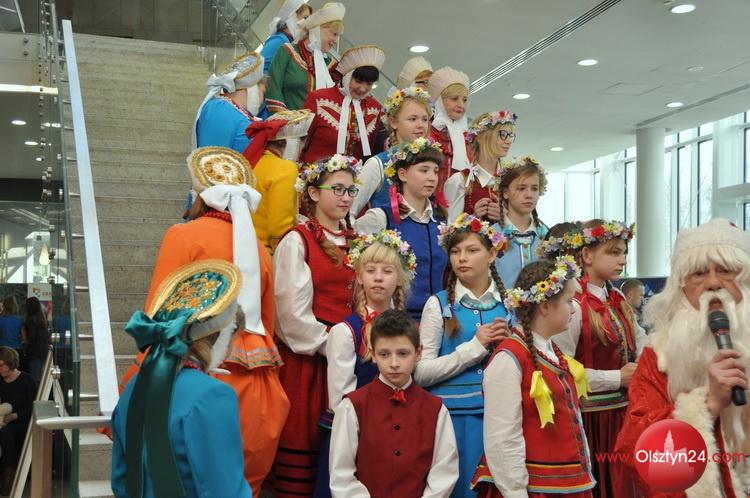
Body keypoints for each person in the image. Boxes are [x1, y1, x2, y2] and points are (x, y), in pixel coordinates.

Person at [119, 147, 289, 495]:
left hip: (195, 358)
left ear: (199, 194)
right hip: (258, 374)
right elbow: (266, 319)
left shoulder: (184, 235)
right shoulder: (260, 249)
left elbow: (160, 311)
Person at [612, 218, 750, 497]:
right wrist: (706, 405)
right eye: (698, 273)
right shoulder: (659, 358)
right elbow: (636, 450)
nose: (713, 283)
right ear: (681, 287)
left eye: (726, 270)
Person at [111, 260, 252, 498]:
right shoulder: (212, 396)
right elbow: (225, 491)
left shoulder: (134, 386)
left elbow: (120, 481)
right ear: (220, 337)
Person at [272, 154, 360, 497]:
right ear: (312, 193)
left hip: (350, 360)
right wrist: (336, 345)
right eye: (337, 189)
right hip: (309, 364)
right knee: (305, 450)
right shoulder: (297, 240)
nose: (345, 197)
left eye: (351, 190)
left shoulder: (358, 241)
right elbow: (290, 316)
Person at [471, 257, 596, 497]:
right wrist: (516, 491)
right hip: (535, 489)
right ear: (545, 306)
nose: (574, 308)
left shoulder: (550, 351)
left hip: (564, 486)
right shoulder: (509, 359)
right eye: (569, 301)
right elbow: (502, 438)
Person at [314, 229, 415, 498]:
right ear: (359, 276)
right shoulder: (346, 331)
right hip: (357, 437)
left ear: (400, 278)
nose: (378, 277)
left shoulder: (409, 330)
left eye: (387, 271)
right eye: (370, 270)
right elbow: (341, 400)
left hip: (400, 433)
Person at [416, 213, 510, 498]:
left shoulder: (511, 305)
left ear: (491, 254)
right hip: (453, 418)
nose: (462, 258)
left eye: (472, 250)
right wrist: (474, 348)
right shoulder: (437, 304)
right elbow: (420, 373)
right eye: (455, 251)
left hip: (503, 415)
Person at [552, 220, 646, 498]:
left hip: (626, 414)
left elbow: (641, 339)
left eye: (624, 253)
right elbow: (561, 368)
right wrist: (617, 378)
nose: (622, 260)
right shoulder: (573, 304)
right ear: (587, 255)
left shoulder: (617, 297)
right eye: (614, 252)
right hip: (592, 420)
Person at [329, 309, 459, 497]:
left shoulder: (436, 409)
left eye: (403, 353)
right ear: (373, 354)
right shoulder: (352, 406)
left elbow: (444, 472)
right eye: (384, 354)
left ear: (418, 353)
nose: (394, 363)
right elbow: (341, 474)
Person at [355, 138, 448, 320]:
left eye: (435, 171)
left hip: (438, 319)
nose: (432, 177)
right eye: (424, 170)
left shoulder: (441, 221)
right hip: (396, 321)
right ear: (403, 174)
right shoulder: (381, 218)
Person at [351, 85, 432, 215]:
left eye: (425, 119)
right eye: (412, 119)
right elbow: (349, 211)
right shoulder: (377, 164)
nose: (421, 125)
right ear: (393, 122)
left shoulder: (431, 163)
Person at [243, 109, 315, 253]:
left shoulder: (254, 161)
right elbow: (280, 229)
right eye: (302, 145)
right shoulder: (285, 169)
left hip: (245, 245)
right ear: (293, 143)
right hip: (266, 253)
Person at [300, 45, 385, 163]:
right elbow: (300, 140)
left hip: (352, 174)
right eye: (358, 81)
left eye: (369, 84)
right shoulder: (318, 99)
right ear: (347, 77)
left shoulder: (375, 109)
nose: (363, 89)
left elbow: (369, 151)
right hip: (312, 171)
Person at [266, 2, 345, 112]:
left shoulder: (330, 65)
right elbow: (273, 90)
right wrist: (287, 119)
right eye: (334, 34)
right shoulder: (287, 52)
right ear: (318, 30)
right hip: (285, 121)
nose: (336, 41)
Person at [445, 110, 518, 224]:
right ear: (480, 137)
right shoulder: (460, 181)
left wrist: (505, 218)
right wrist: (473, 219)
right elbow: (447, 230)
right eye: (503, 135)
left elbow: (527, 227)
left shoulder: (513, 180)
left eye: (510, 136)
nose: (508, 141)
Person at [493, 156, 549, 288]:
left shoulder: (547, 237)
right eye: (521, 188)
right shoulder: (491, 236)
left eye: (534, 188)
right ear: (505, 192)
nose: (529, 195)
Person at [193, 52, 266, 151]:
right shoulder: (221, 110)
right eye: (262, 92)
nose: (262, 99)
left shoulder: (234, 111)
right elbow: (213, 156)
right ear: (252, 89)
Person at [428, 66, 472, 192]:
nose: (461, 105)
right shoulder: (427, 133)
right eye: (454, 99)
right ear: (439, 101)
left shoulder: (467, 138)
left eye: (464, 100)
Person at [0, 347, 37, 495]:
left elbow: (34, 408)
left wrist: (15, 416)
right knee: (5, 431)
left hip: (24, 423)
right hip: (4, 422)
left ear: (10, 363)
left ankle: (9, 482)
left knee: (6, 433)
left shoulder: (27, 380)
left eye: (1, 365)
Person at [261, 0, 312, 74]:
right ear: (293, 17)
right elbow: (261, 68)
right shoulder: (280, 40)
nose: (308, 22)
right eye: (305, 18)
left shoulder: (289, 41)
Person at [23, 297, 49, 384]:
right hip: (43, 352)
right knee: (41, 377)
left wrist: (25, 343)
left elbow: (31, 337)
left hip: (34, 352)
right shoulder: (42, 320)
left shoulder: (30, 320)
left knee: (34, 378)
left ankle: (35, 392)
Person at [0, 297, 24, 362]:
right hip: (17, 348)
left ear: (4, 306)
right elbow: (23, 337)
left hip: (3, 348)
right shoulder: (20, 320)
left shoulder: (1, 319)